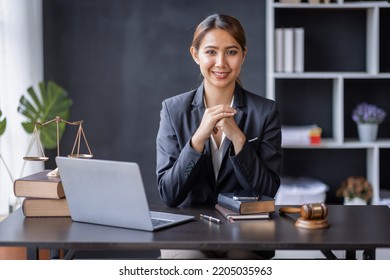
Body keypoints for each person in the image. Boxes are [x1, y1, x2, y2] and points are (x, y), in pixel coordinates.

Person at [156, 14, 282, 259]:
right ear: (196, 55)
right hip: (187, 232)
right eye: (211, 52)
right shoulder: (173, 110)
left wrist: (239, 141)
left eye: (231, 52)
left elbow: (268, 192)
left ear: (243, 55)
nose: (221, 62)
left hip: (246, 235)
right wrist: (198, 139)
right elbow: (169, 194)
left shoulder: (266, 112)